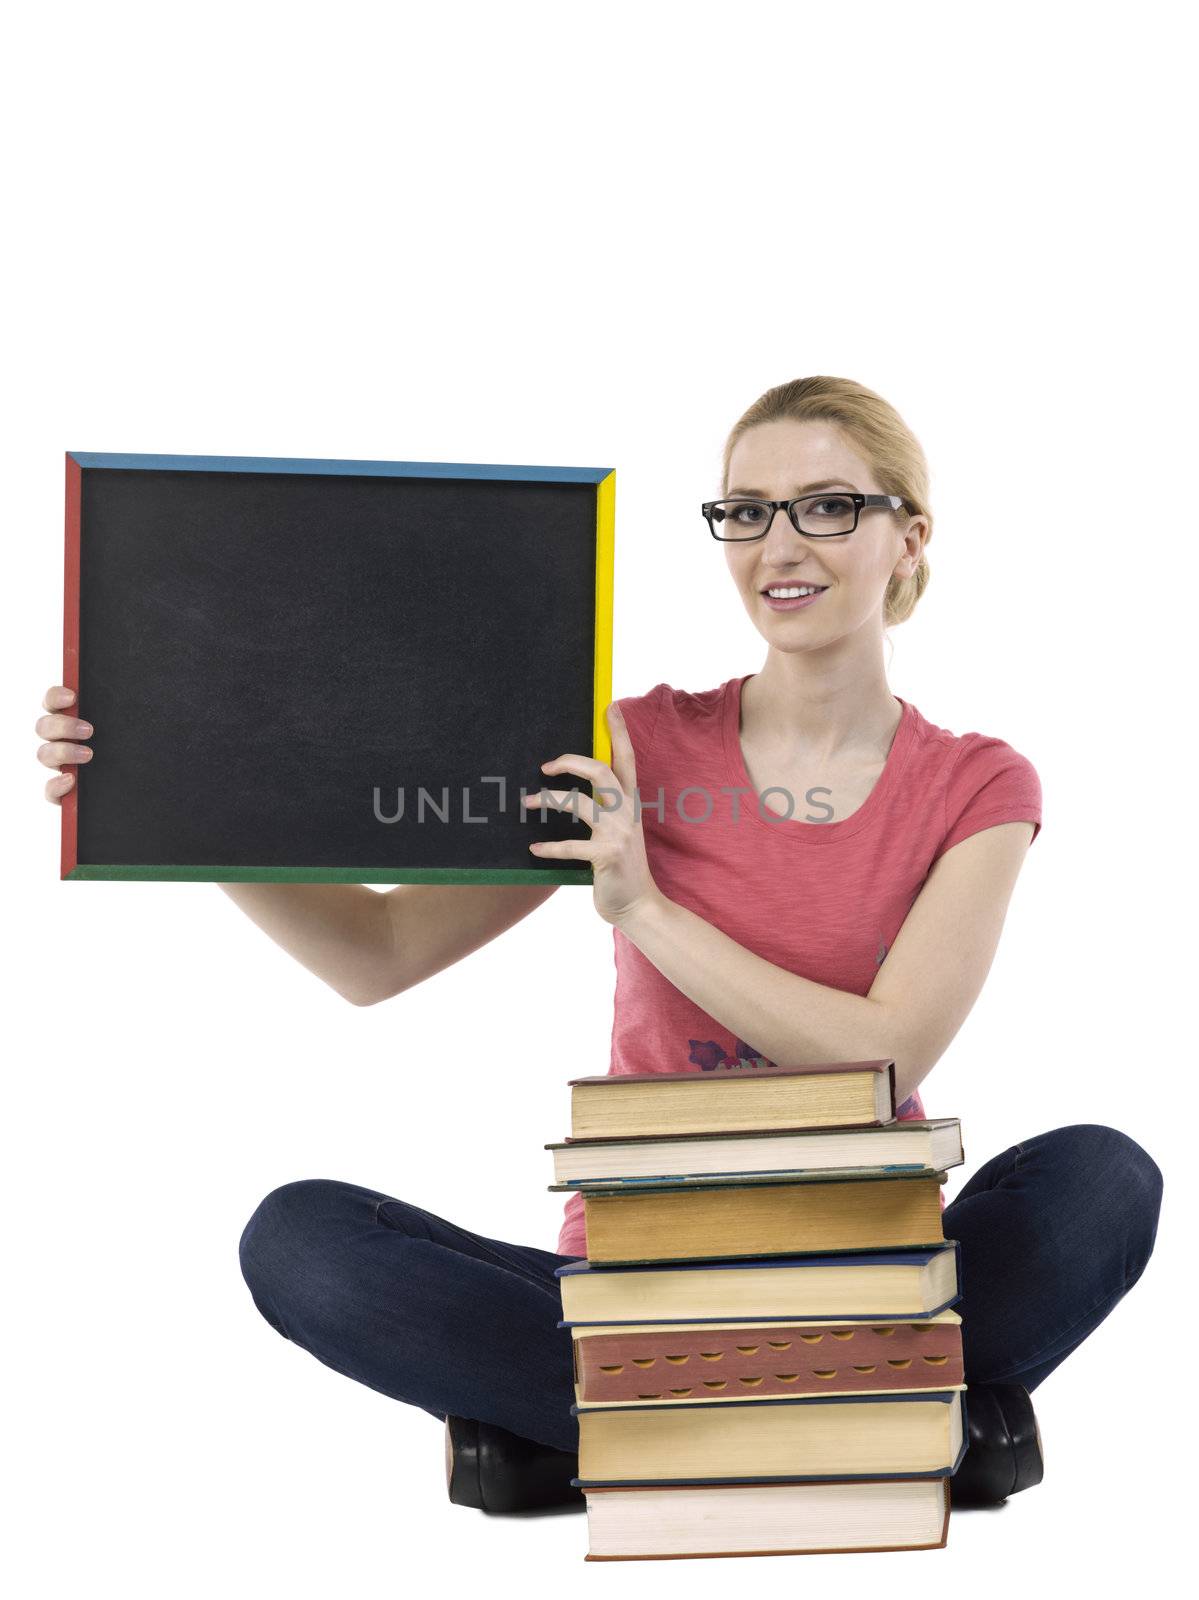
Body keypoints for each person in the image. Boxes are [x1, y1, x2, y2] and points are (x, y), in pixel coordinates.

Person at [37, 376, 1163, 1516]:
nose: (778, 542)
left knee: (1101, 1178)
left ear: (907, 536)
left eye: (825, 505)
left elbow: (886, 1061)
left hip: (873, 1272)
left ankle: (602, 1433)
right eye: (745, 510)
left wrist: (646, 908)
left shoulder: (977, 783)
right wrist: (167, 793)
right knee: (303, 1240)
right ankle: (896, 1420)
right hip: (633, 1285)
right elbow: (373, 951)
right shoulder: (627, 744)